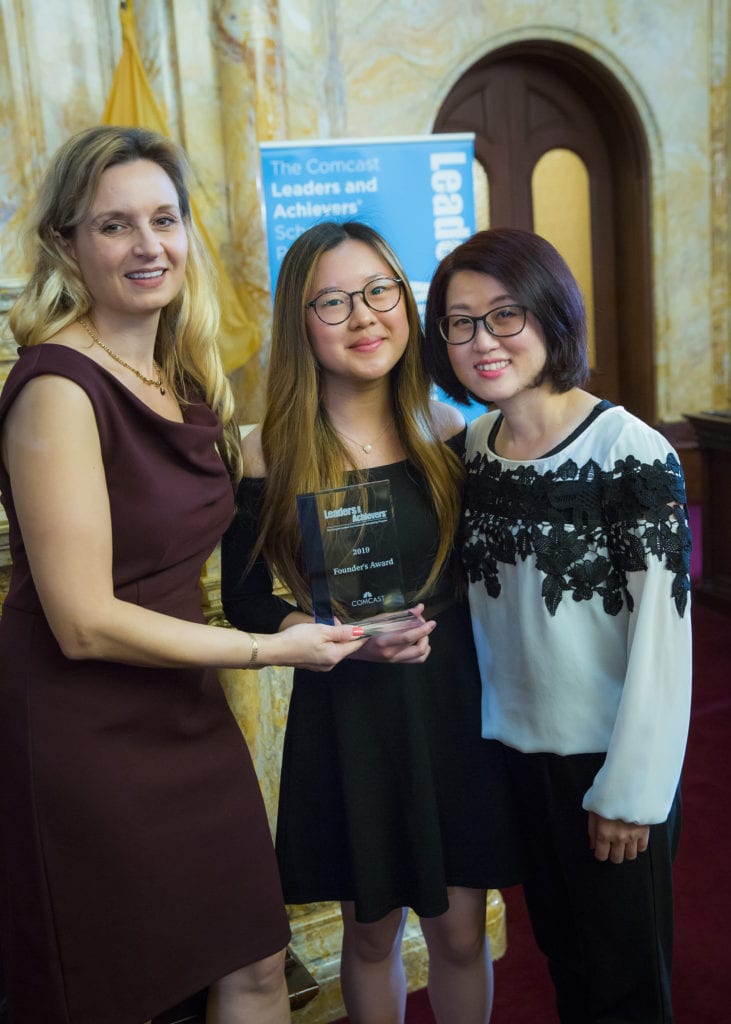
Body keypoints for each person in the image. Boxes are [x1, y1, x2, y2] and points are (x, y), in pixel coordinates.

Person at [0, 127, 376, 1024]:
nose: (147, 246)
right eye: (114, 225)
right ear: (65, 245)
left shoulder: (178, 375)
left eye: (164, 219)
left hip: (183, 707)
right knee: (126, 984)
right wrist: (267, 649)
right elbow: (83, 621)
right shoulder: (57, 386)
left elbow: (248, 463)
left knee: (251, 956)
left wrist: (426, 423)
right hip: (83, 730)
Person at [221, 220, 521, 1024]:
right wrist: (334, 641)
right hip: (351, 716)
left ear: (405, 301)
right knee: (369, 935)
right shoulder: (267, 450)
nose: (364, 318)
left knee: (461, 934)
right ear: (300, 322)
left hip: (453, 709)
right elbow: (246, 601)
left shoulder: (451, 429)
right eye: (333, 302)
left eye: (379, 292)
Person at [422, 226, 693, 1024]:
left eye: (504, 315)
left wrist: (632, 792)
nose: (482, 340)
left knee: (626, 987)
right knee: (567, 966)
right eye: (459, 321)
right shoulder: (473, 448)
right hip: (515, 760)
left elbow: (663, 642)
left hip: (607, 766)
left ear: (551, 315)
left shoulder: (628, 451)